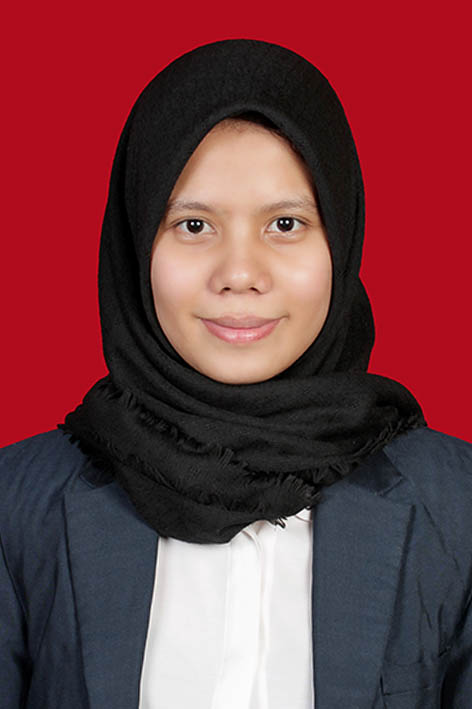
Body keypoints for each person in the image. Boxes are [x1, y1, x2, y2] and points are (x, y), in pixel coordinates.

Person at [0, 38, 471, 709]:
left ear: (340, 240)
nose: (240, 273)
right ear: (137, 243)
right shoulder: (16, 508)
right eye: (194, 225)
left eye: (286, 223)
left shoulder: (458, 509)